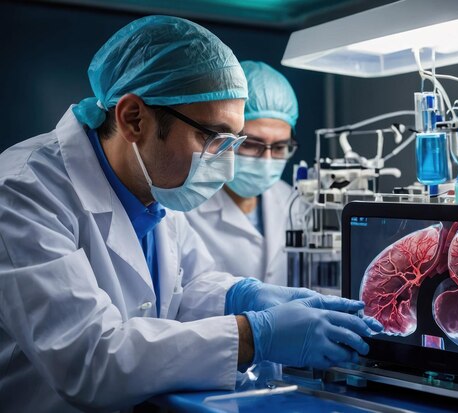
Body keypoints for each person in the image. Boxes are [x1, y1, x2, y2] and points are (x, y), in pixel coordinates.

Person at [0, 16, 382, 412]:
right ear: (133, 118)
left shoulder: (155, 186)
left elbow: (188, 288)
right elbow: (90, 359)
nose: (228, 168)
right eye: (211, 137)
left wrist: (244, 295)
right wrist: (256, 336)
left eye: (233, 141)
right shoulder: (23, 191)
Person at [185, 61, 297, 285]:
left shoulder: (293, 202)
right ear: (225, 137)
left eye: (278, 148)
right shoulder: (185, 206)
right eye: (252, 144)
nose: (266, 161)